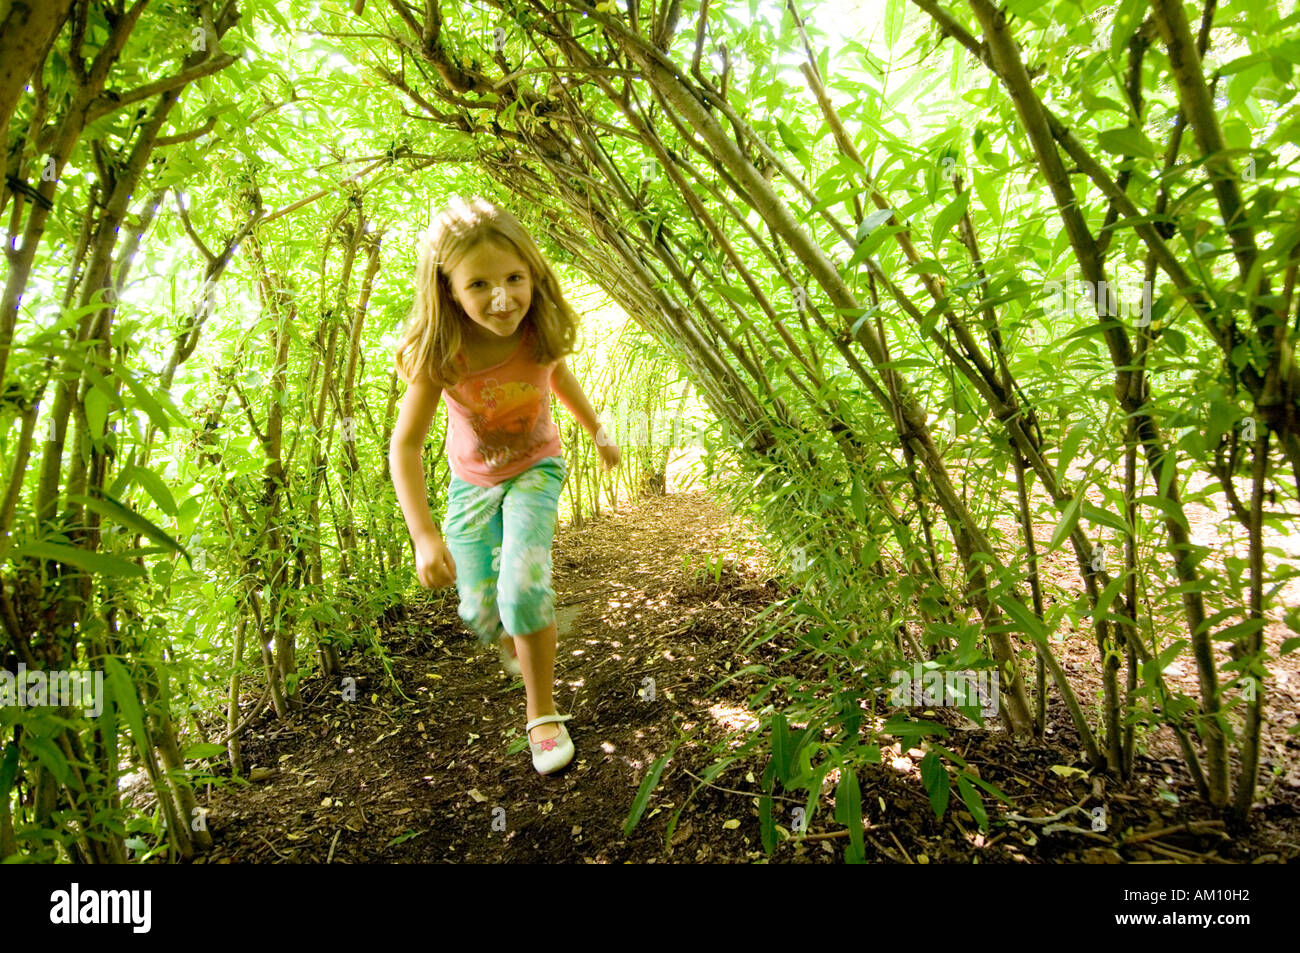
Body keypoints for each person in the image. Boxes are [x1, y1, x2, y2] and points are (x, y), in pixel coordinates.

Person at [389, 196, 620, 775]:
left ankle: (541, 714)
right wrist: (423, 535)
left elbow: (558, 377)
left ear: (533, 275)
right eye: (479, 284)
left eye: (515, 278)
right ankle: (515, 633)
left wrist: (598, 428)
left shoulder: (536, 333)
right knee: (479, 606)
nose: (502, 298)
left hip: (536, 470)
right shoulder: (442, 354)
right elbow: (407, 445)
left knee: (522, 587)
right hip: (471, 483)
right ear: (448, 291)